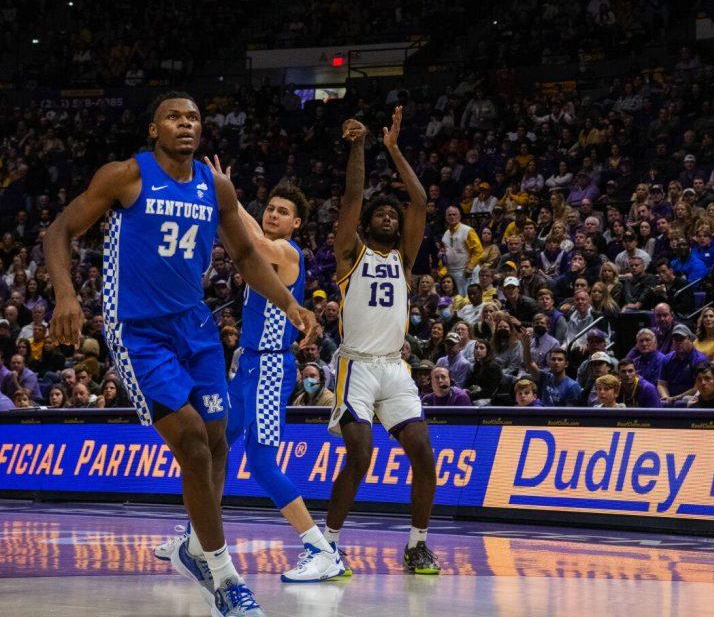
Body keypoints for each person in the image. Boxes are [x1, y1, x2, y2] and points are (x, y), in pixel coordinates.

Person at [44, 92, 315, 617]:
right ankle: (224, 576)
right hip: (139, 332)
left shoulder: (216, 187)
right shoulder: (125, 176)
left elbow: (243, 254)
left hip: (196, 329)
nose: (185, 124)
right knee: (192, 440)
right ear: (154, 129)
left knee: (216, 442)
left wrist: (289, 302)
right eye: (174, 117)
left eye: (193, 117)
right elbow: (59, 230)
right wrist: (65, 293)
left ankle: (196, 546)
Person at [202, 160, 345, 584]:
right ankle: (199, 537)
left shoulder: (287, 252)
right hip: (246, 363)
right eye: (270, 208)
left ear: (297, 223)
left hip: (268, 366)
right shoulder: (264, 245)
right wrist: (228, 199)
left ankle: (321, 549)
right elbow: (246, 236)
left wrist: (228, 196)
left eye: (283, 212)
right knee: (216, 445)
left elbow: (257, 245)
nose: (273, 214)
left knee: (261, 462)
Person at [324, 109, 441, 575]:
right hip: (356, 365)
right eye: (382, 213)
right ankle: (328, 544)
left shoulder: (406, 260)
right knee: (361, 456)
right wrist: (359, 146)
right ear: (369, 223)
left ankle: (417, 544)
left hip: (394, 367)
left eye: (393, 214)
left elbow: (420, 202)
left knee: (424, 455)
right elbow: (353, 196)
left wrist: (393, 149)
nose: (390, 217)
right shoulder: (350, 252)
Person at [658, 325, 708, 404]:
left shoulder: (700, 360)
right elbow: (661, 384)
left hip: (691, 400)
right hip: (670, 399)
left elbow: (697, 387)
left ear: (690, 339)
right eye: (675, 340)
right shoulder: (666, 359)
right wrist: (666, 397)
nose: (678, 343)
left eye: (681, 339)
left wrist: (674, 398)